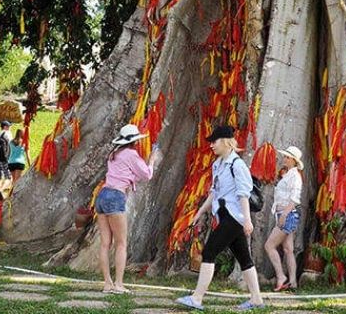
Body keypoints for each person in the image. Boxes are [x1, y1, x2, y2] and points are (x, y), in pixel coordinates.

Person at [176, 124, 264, 311]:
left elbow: (243, 195)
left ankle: (197, 298)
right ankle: (256, 299)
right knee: (244, 258)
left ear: (225, 141)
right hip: (224, 217)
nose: (212, 145)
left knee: (209, 252)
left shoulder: (237, 165)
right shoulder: (217, 165)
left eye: (214, 141)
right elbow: (213, 194)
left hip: (235, 217)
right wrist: (199, 214)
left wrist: (247, 220)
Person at [97, 123, 161, 293]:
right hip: (116, 197)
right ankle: (118, 284)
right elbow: (146, 175)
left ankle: (107, 283)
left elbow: (127, 174)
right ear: (135, 141)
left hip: (102, 196)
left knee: (105, 243)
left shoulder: (114, 153)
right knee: (121, 244)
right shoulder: (132, 154)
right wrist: (152, 160)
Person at [264, 146, 304, 292]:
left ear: (294, 160)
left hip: (287, 215)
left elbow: (294, 199)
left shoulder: (295, 176)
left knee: (269, 246)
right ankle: (293, 282)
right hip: (285, 215)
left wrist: (284, 215)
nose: (285, 159)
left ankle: (281, 276)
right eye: (285, 156)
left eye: (288, 157)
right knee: (288, 249)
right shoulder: (289, 175)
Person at [0, 120, 13, 196]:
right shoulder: (8, 134)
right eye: (9, 126)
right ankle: (2, 191)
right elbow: (11, 146)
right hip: (5, 158)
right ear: (5, 127)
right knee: (8, 177)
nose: (10, 128)